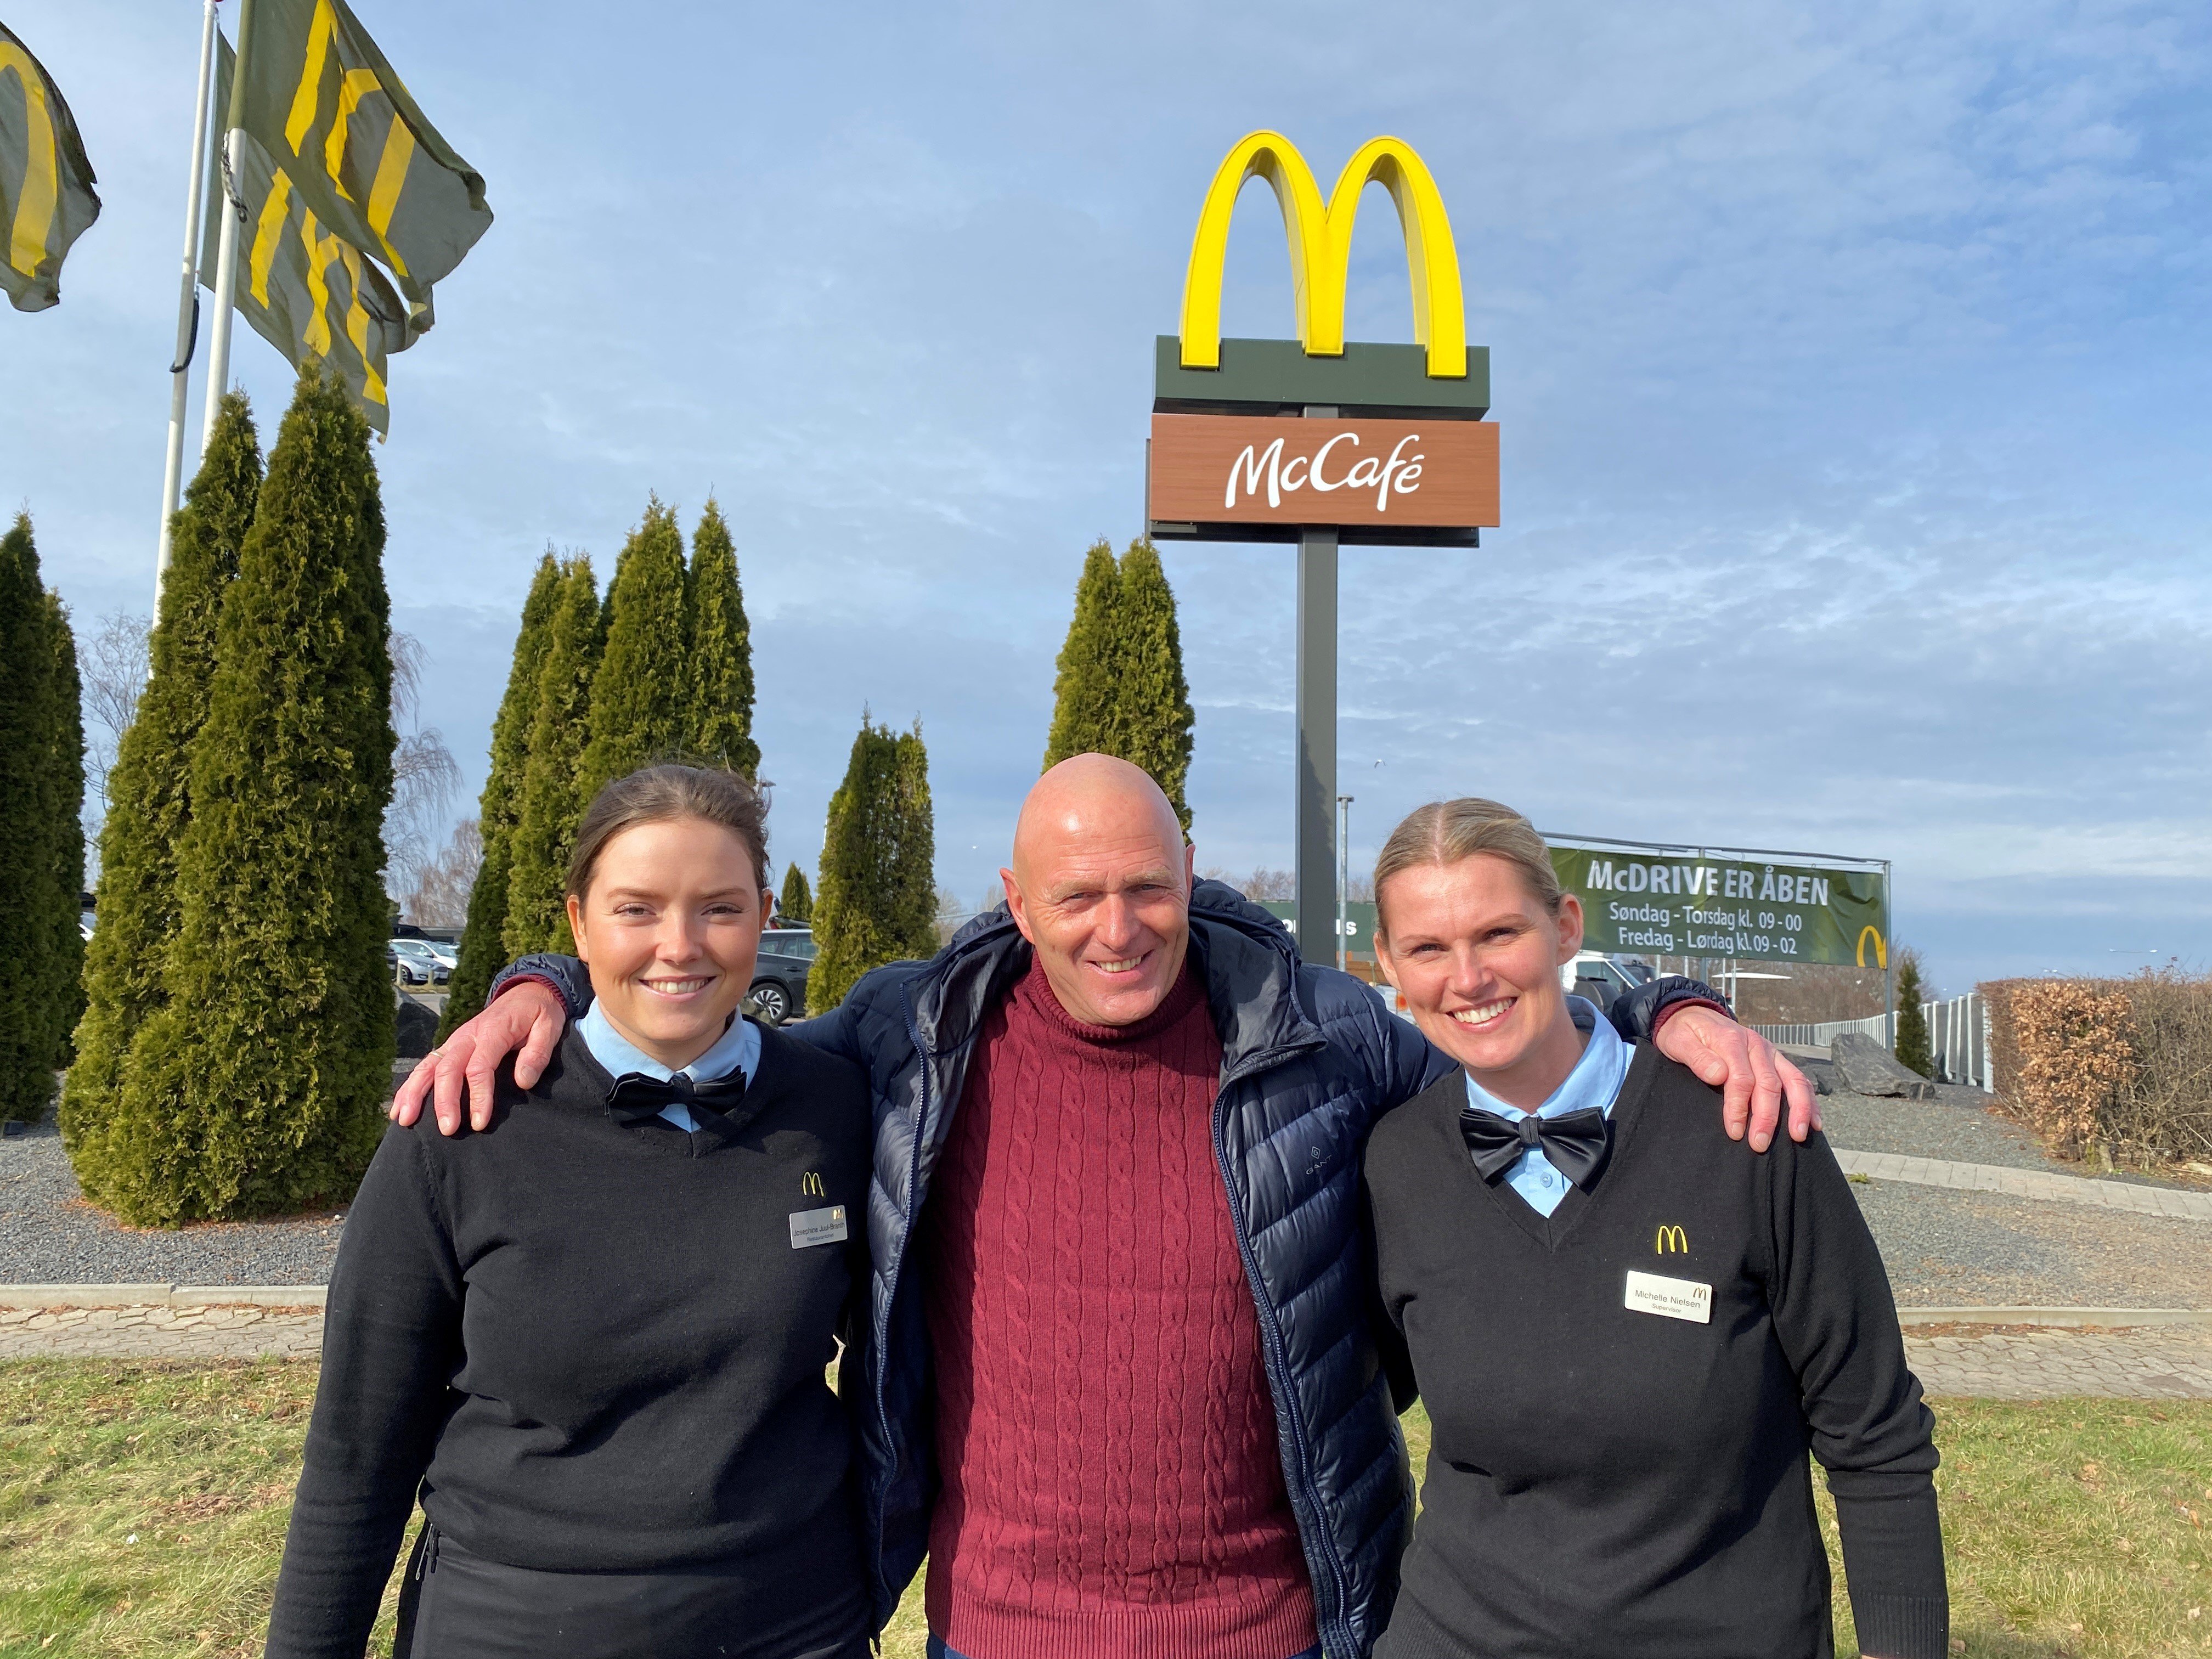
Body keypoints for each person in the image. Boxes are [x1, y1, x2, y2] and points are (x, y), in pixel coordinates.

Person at [396, 754, 1817, 1659]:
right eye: (1079, 896)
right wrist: (549, 981)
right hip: (998, 1631)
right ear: (1015, 899)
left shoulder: (1320, 1034)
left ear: (1191, 877)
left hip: (1271, 1631)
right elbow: (694, 1006)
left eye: (1148, 887)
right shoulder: (910, 1038)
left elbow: (1501, 1018)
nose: (1118, 927)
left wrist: (1671, 1009)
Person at [267, 765, 872, 1659]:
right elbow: (359, 1445)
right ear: (579, 922)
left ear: (766, 913)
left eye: (720, 907)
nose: (680, 945)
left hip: (791, 1618)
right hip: (514, 1621)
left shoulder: (839, 1108)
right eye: (636, 909)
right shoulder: (465, 1122)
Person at [1361, 798, 1944, 1659]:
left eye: (1498, 935)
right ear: (1389, 964)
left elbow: (1878, 1441)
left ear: (1565, 928)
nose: (1468, 979)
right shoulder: (1395, 1163)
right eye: (1428, 949)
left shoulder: (1745, 1128)